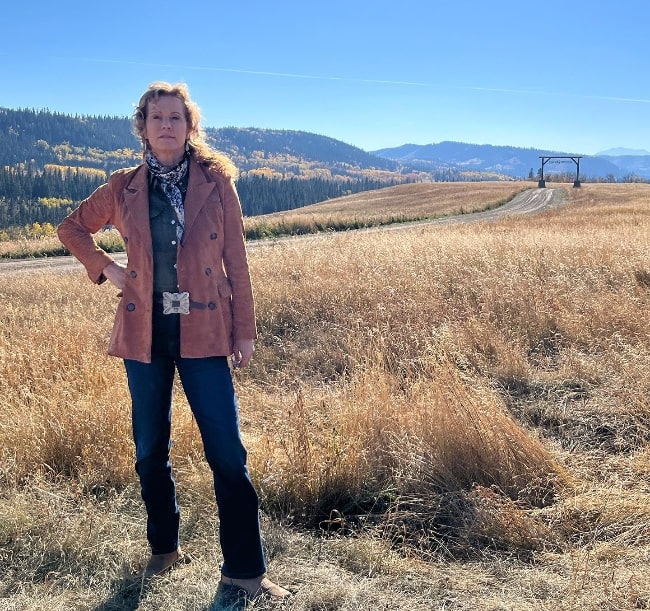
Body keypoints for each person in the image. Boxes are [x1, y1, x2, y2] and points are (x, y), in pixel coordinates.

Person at [57, 81, 289, 601]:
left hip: (206, 332)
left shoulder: (216, 182)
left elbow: (238, 263)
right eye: (157, 117)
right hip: (145, 335)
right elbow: (71, 228)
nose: (166, 125)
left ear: (190, 128)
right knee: (149, 450)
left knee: (227, 453)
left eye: (175, 118)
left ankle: (245, 571)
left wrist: (245, 331)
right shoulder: (124, 186)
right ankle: (164, 549)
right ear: (143, 126)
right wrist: (106, 269)